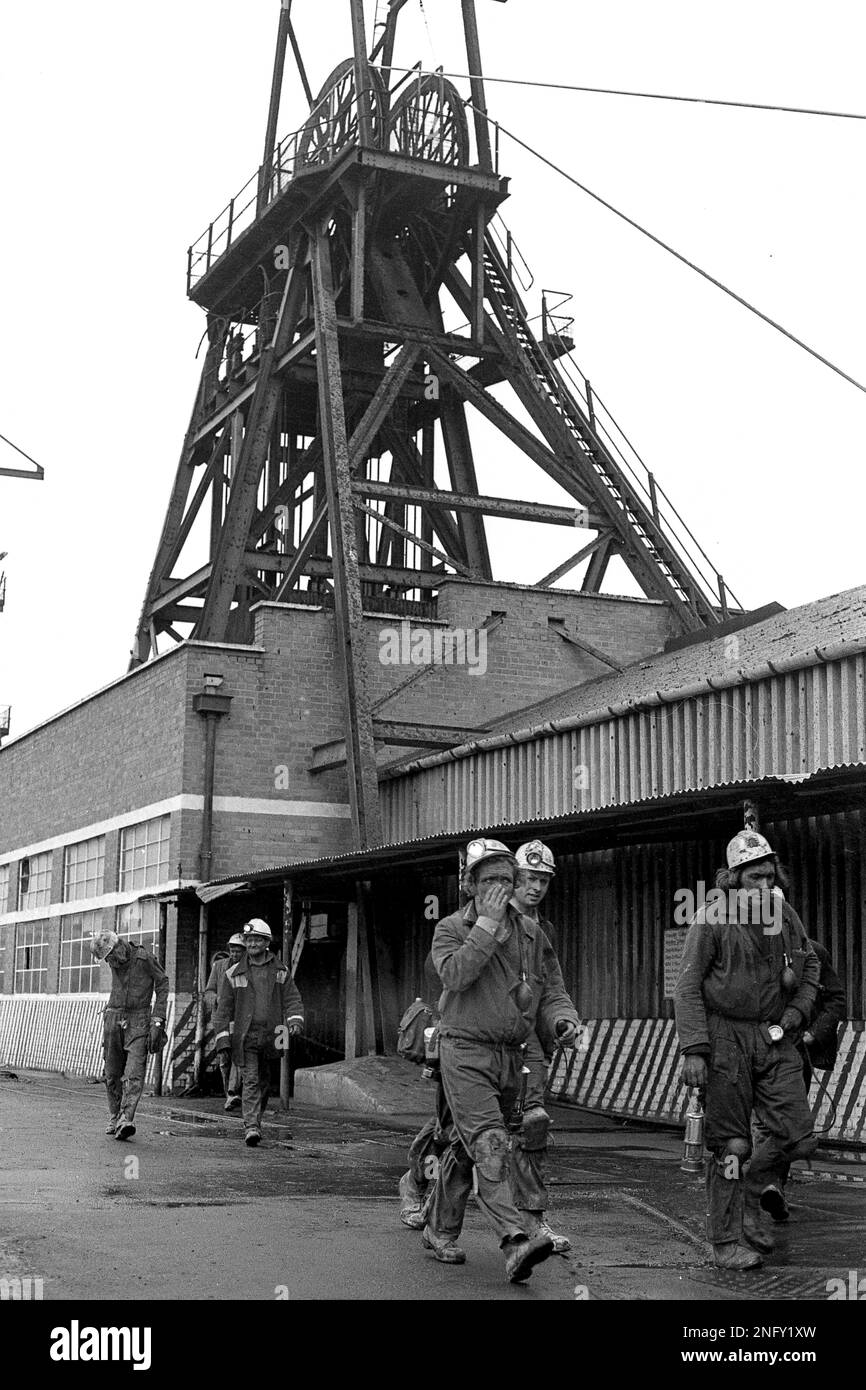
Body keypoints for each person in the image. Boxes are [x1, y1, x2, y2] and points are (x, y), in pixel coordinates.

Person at [426, 837, 582, 1283]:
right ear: (470, 885)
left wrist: (563, 1022)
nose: (499, 885)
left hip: (512, 1056)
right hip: (465, 1050)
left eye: (505, 878)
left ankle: (438, 1228)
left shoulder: (532, 933)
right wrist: (488, 926)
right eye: (488, 879)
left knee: (466, 1145)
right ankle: (516, 1241)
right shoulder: (452, 928)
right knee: (492, 1145)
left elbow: (549, 990)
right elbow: (455, 975)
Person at [674, 830, 820, 1270]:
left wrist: (797, 1013)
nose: (765, 886)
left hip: (772, 1036)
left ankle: (753, 1199)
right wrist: (694, 1049)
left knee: (800, 1136)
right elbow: (687, 987)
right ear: (733, 878)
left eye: (770, 876)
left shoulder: (784, 914)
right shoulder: (711, 919)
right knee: (733, 1145)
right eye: (755, 877)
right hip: (723, 1040)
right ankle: (725, 1240)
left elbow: (809, 963)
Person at [509, 839, 574, 1254]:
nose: (535, 887)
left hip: (526, 1036)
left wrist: (562, 1021)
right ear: (513, 878)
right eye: (529, 879)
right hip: (477, 1038)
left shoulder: (543, 931)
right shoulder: (483, 919)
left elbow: (551, 989)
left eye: (543, 881)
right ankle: (422, 1190)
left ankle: (533, 1220)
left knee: (532, 1121)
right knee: (454, 1131)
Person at [759, 936, 847, 1222]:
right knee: (755, 1122)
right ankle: (757, 1184)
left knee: (783, 1120)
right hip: (751, 1048)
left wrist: (814, 1033)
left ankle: (773, 1185)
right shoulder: (742, 947)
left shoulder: (812, 952)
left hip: (794, 1051)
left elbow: (836, 999)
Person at [213, 918, 303, 1147]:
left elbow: (292, 998)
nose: (252, 944)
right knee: (251, 1079)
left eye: (257, 940)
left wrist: (295, 1022)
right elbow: (222, 1010)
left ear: (266, 943)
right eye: (249, 940)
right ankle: (251, 1126)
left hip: (275, 1034)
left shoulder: (281, 971)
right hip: (245, 1036)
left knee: (265, 1082)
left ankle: (256, 1120)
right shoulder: (233, 973)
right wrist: (222, 1040)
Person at [89, 929, 169, 1141]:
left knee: (134, 1072)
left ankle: (126, 1118)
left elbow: (162, 983)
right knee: (112, 1073)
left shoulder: (144, 958)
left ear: (119, 947)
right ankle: (115, 1115)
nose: (111, 963)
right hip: (113, 1017)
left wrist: (158, 1019)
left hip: (139, 1019)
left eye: (111, 957)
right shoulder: (113, 959)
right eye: (106, 960)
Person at [205, 933, 246, 1111]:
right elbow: (209, 991)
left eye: (238, 951)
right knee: (224, 1058)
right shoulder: (219, 966)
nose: (234, 954)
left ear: (244, 952)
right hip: (222, 1020)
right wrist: (216, 999)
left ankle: (232, 1093)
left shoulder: (248, 969)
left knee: (237, 1056)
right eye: (232, 951)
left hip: (240, 1020)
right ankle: (229, 1093)